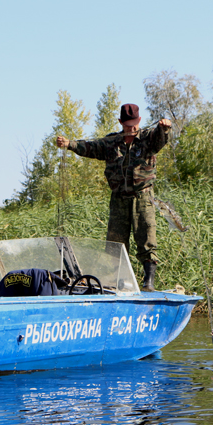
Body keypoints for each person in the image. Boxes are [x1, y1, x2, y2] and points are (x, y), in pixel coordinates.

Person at [56, 103, 171, 291]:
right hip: (118, 199)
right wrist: (69, 144)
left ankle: (148, 282)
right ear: (120, 122)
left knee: (146, 238)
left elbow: (161, 139)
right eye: (127, 125)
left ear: (139, 120)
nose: (130, 128)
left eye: (134, 124)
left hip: (142, 198)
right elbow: (91, 147)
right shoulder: (111, 142)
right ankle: (121, 281)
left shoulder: (148, 139)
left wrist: (164, 128)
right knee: (116, 244)